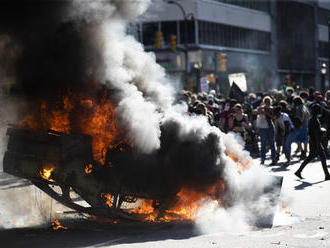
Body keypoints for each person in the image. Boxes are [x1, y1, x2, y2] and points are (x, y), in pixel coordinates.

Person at [294, 104, 330, 181]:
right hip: (316, 142)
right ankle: (327, 175)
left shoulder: (312, 119)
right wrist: (319, 145)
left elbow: (313, 132)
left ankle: (298, 171)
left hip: (312, 142)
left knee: (310, 157)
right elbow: (316, 134)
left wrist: (321, 131)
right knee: (322, 157)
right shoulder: (315, 121)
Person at [254, 96, 277, 165]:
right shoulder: (261, 108)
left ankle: (273, 159)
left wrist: (267, 113)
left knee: (272, 144)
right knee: (263, 144)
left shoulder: (272, 109)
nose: (267, 103)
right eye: (266, 102)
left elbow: (274, 117)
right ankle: (263, 159)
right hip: (262, 128)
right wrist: (260, 109)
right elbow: (254, 112)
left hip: (270, 127)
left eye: (268, 102)